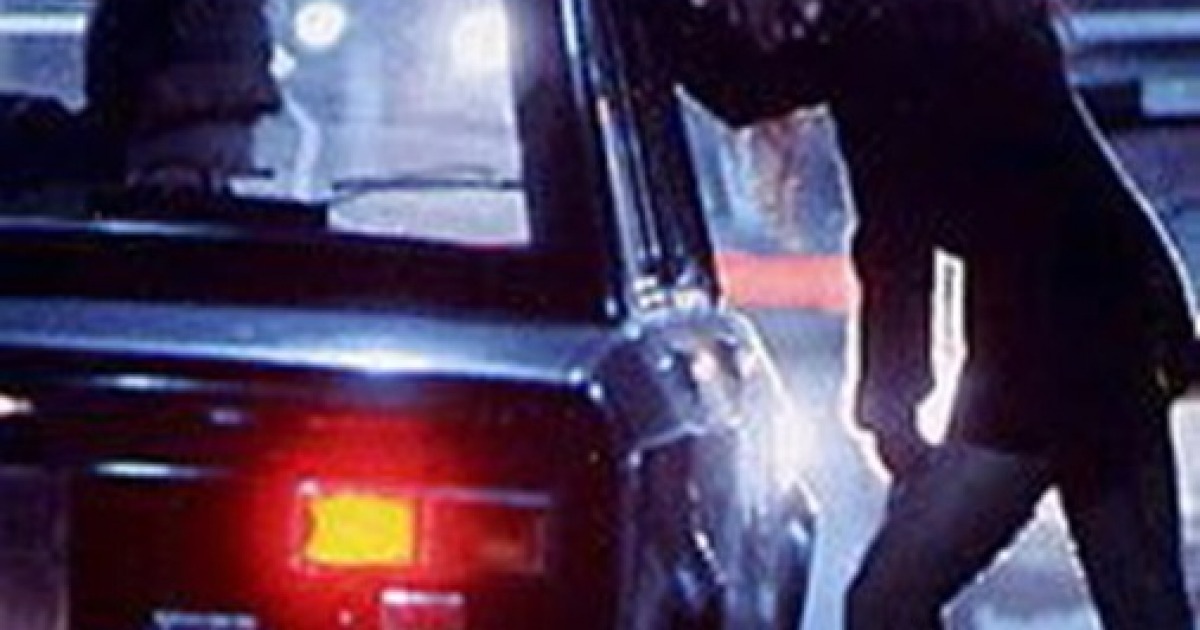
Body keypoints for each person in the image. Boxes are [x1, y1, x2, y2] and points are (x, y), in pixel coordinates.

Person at [647, 0, 1197, 627]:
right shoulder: (955, 22)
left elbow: (891, 243)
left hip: (1052, 341)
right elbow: (1088, 187)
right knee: (1143, 602)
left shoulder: (881, 37)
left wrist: (892, 409)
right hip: (1097, 317)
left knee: (887, 603)